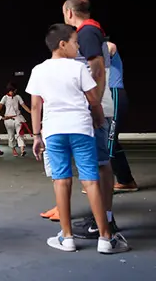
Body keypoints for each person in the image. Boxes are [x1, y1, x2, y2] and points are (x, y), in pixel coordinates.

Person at [27, 23, 129, 253]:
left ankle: (67, 237)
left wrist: (36, 136)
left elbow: (35, 106)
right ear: (62, 45)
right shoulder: (78, 68)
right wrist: (99, 119)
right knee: (90, 180)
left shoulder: (38, 70)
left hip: (53, 131)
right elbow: (93, 99)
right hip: (81, 129)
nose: (78, 47)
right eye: (75, 42)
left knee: (61, 181)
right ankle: (105, 239)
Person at [62, 0, 119, 238]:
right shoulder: (93, 31)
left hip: (95, 108)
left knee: (98, 165)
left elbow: (96, 69)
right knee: (100, 163)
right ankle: (102, 218)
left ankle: (103, 222)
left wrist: (92, 106)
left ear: (69, 12)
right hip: (97, 105)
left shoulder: (85, 32)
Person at [106, 41, 137, 192]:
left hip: (115, 93)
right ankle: (126, 181)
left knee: (109, 141)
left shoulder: (106, 46)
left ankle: (102, 184)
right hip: (105, 95)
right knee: (110, 140)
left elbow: (111, 46)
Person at [0, 84, 31, 157]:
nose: (13, 92)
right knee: (11, 135)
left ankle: (22, 150)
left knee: (20, 133)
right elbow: (0, 106)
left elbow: (23, 105)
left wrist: (31, 112)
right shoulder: (5, 97)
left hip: (17, 117)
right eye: (12, 91)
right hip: (8, 118)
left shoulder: (18, 97)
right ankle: (13, 149)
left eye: (14, 90)